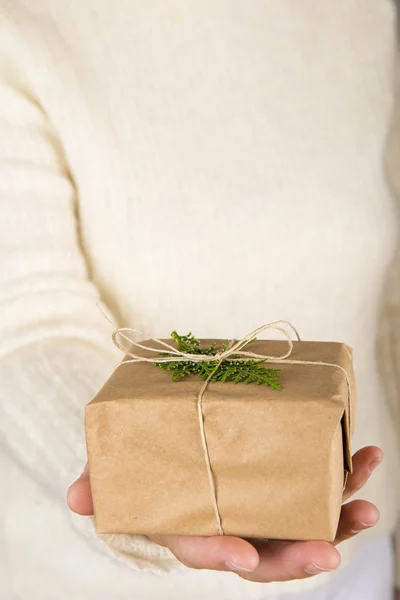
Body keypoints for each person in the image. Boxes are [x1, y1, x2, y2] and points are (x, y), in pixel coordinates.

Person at [0, 0, 399, 598]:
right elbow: (27, 322)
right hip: (106, 585)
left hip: (355, 560)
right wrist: (124, 471)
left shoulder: (367, 13)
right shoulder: (22, 24)